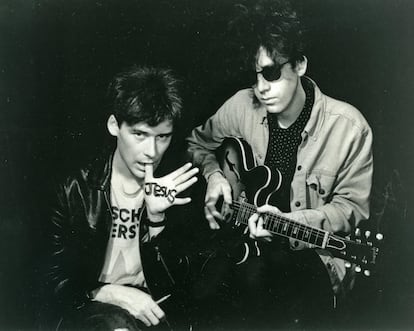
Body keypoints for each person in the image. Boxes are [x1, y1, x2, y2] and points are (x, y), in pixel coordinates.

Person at [187, 0, 373, 328]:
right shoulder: (241, 106)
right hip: (243, 247)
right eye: (255, 74)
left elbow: (350, 210)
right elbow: (197, 142)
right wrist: (215, 176)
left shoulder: (349, 127)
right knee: (199, 297)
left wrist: (289, 221)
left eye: (271, 73)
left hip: (312, 258)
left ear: (300, 64)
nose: (261, 88)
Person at [43, 65, 202, 330]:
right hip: (90, 310)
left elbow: (184, 288)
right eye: (139, 134)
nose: (151, 151)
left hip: (151, 311)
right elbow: (51, 282)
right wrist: (111, 293)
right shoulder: (75, 189)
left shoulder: (177, 187)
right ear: (114, 125)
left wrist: (157, 218)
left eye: (162, 137)